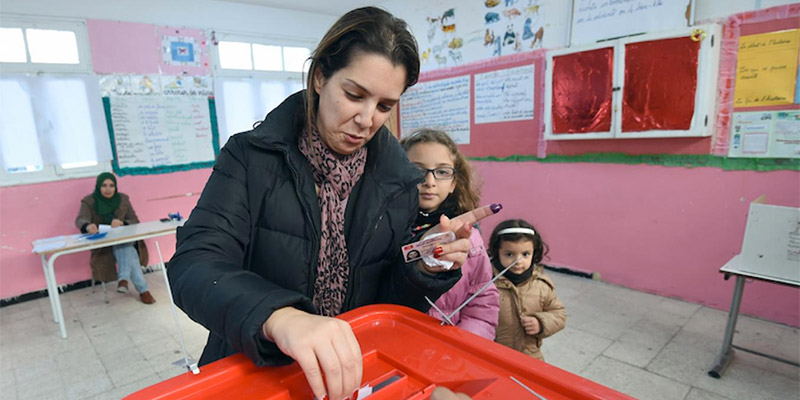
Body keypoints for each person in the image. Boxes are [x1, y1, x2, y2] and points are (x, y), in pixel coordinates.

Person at [167, 7, 499, 400]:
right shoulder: (251, 158)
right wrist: (279, 316)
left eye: (384, 106)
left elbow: (386, 302)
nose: (365, 119)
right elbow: (194, 264)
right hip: (257, 365)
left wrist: (423, 266)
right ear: (321, 77)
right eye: (354, 95)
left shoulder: (398, 180)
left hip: (355, 369)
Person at [400, 129, 499, 340]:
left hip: (451, 354)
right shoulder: (384, 230)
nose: (429, 181)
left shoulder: (469, 237)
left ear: (454, 183)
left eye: (442, 172)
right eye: (417, 169)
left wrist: (463, 343)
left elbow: (482, 301)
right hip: (399, 344)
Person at [488, 219, 565, 361]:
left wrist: (541, 323)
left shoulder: (541, 285)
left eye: (525, 254)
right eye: (509, 254)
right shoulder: (486, 283)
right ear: (496, 251)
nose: (518, 261)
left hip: (529, 356)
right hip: (491, 355)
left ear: (534, 253)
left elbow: (559, 314)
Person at [75, 172, 156, 304]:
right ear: (98, 187)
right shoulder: (89, 201)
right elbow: (80, 219)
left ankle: (124, 279)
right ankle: (142, 290)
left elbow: (134, 220)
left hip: (124, 238)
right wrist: (88, 226)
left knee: (124, 244)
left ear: (116, 187)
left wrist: (122, 223)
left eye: (111, 185)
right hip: (104, 243)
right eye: (104, 186)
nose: (108, 189)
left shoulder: (123, 199)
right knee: (129, 250)